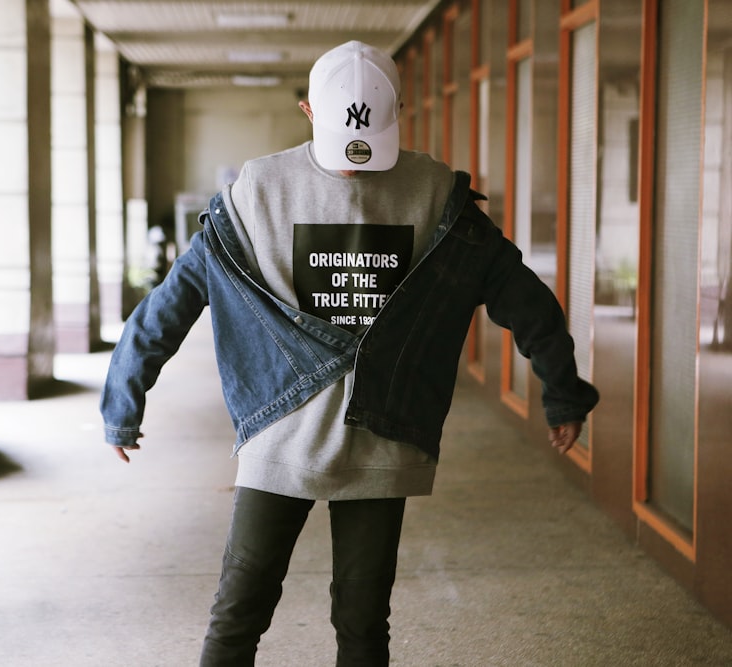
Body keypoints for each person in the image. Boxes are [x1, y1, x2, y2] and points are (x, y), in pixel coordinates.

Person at [100, 40, 599, 666]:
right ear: (307, 112)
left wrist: (562, 391)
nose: (358, 167)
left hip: (382, 436)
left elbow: (521, 297)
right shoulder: (258, 188)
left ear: (397, 113)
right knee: (240, 612)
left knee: (360, 620)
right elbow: (172, 303)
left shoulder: (436, 191)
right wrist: (124, 396)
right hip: (282, 432)